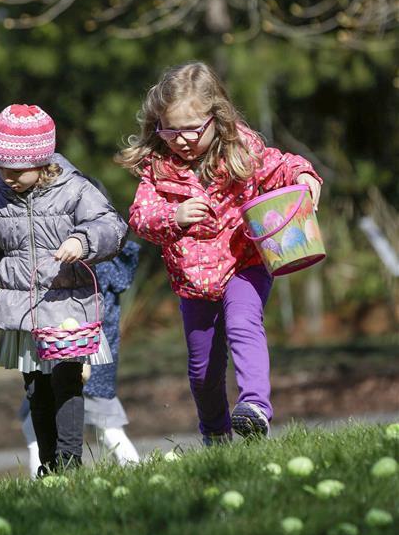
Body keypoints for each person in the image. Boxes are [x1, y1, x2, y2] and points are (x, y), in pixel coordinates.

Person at [117, 61, 322, 445]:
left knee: (244, 325)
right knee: (203, 370)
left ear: (217, 118)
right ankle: (215, 435)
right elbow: (140, 218)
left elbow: (282, 166)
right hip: (193, 282)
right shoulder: (157, 169)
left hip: (245, 263)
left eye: (193, 128)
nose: (182, 139)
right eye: (170, 130)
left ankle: (255, 407)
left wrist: (305, 176)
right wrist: (173, 216)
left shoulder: (242, 149)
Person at [0, 104, 128, 474]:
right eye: (1, 168)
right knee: (36, 388)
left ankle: (70, 464)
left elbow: (111, 226)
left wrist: (82, 241)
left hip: (68, 308)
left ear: (42, 162)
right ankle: (48, 465)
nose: (8, 178)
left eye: (17, 171)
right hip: (24, 312)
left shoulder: (74, 189)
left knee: (67, 382)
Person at [20, 239, 141, 474]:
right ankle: (133, 470)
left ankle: (134, 470)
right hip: (72, 352)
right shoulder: (105, 255)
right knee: (105, 427)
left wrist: (83, 360)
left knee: (106, 426)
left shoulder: (88, 265)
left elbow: (96, 319)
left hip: (80, 355)